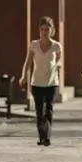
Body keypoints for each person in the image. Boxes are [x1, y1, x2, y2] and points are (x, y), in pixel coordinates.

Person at [20, 16, 63, 146]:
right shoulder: (34, 45)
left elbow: (60, 60)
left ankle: (47, 137)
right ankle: (41, 137)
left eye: (47, 29)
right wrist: (23, 77)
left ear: (52, 30)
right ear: (39, 30)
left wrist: (59, 65)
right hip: (36, 83)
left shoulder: (56, 46)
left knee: (48, 110)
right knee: (39, 111)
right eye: (42, 29)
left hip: (51, 83)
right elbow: (28, 63)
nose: (45, 32)